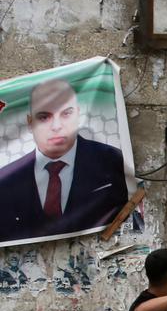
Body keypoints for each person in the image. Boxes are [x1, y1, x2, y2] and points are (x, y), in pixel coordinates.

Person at [0, 79, 129, 244]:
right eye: (44, 117)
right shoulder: (6, 181)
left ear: (78, 115)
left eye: (66, 114)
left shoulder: (111, 162)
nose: (56, 126)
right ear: (30, 123)